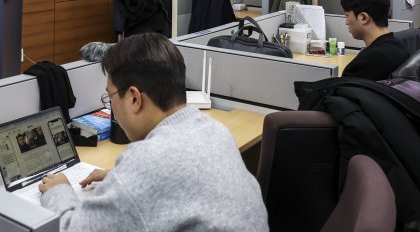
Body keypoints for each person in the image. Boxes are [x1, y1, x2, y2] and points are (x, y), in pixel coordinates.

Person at [38, 33, 268, 232]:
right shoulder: (214, 130)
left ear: (135, 98)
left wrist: (59, 190)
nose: (111, 106)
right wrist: (124, 180)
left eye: (110, 96)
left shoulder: (150, 163)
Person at [340, 0, 410, 81]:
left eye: (347, 16)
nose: (346, 22)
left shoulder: (364, 65)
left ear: (363, 18)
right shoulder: (400, 47)